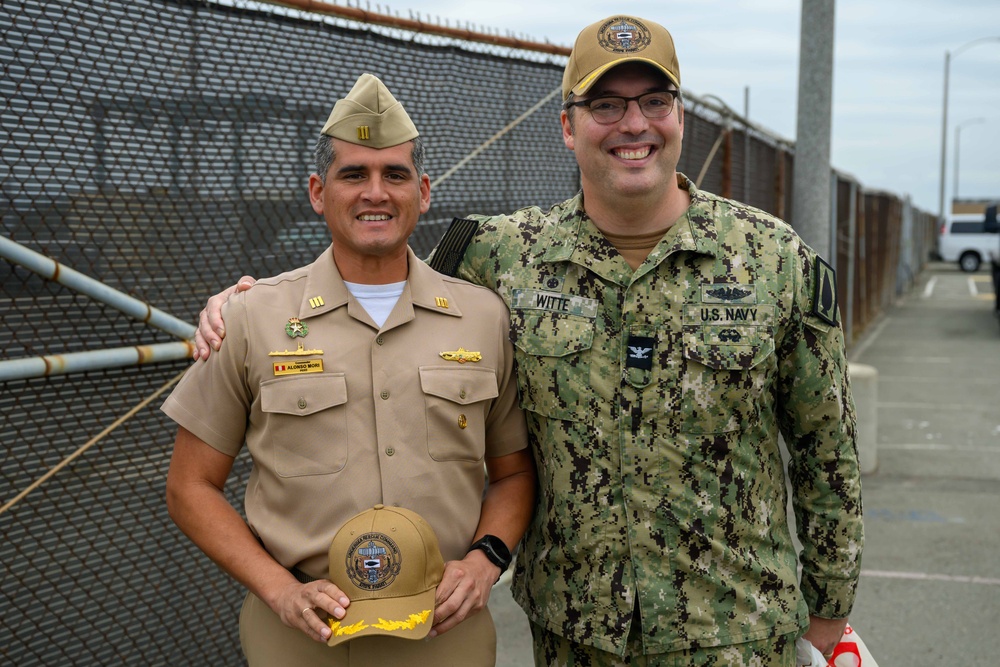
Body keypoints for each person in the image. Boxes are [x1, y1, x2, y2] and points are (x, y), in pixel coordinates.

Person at [193, 15, 864, 666]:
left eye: (654, 100)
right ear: (568, 128)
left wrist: (829, 615)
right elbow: (379, 269)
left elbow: (826, 450)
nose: (633, 123)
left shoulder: (775, 261)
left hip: (737, 631)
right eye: (606, 104)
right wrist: (246, 300)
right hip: (577, 633)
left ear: (679, 117)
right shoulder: (505, 255)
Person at [163, 73, 535, 666]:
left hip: (444, 630)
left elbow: (514, 473)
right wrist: (279, 590)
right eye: (353, 174)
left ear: (425, 191)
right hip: (302, 631)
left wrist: (485, 558)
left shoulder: (482, 319)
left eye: (395, 174)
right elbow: (189, 486)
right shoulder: (253, 318)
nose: (376, 193)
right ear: (318, 191)